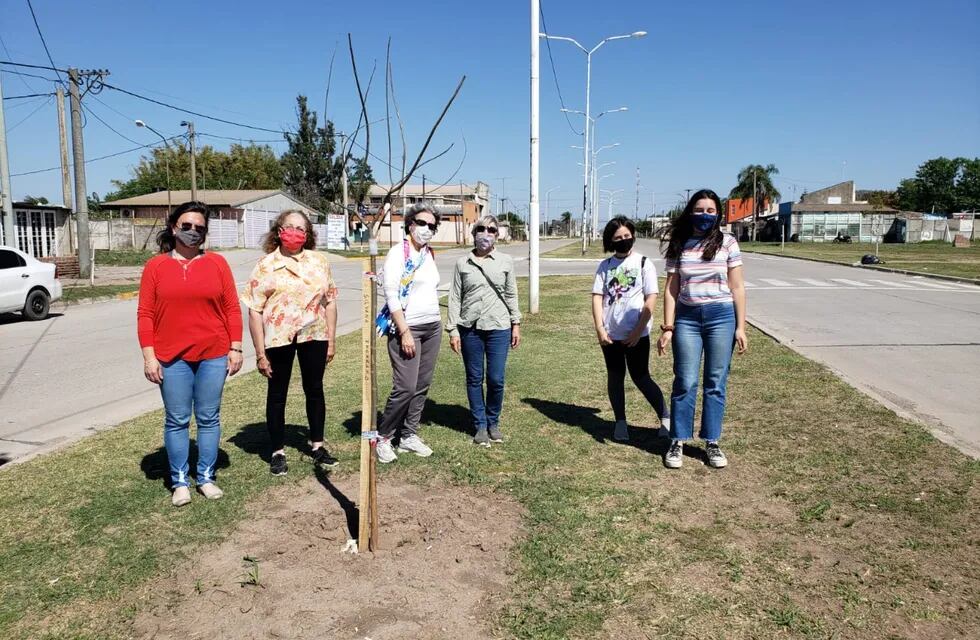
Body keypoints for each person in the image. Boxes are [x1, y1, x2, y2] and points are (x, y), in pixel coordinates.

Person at [137, 201, 243, 507]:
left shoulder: (217, 264)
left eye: (199, 228)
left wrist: (235, 347)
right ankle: (179, 480)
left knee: (209, 418)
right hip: (171, 358)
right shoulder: (155, 267)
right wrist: (149, 355)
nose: (193, 232)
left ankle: (206, 477)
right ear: (174, 228)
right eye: (187, 226)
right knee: (177, 419)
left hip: (213, 353)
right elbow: (145, 314)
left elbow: (231, 308)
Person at [241, 210, 339, 476]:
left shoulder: (319, 262)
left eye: (301, 228)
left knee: (315, 389)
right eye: (289, 227)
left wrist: (331, 338)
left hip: (314, 334)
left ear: (307, 234)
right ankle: (277, 451)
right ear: (278, 231)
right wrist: (260, 353)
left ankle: (317, 445)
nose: (294, 232)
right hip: (278, 337)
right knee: (277, 394)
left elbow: (329, 302)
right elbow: (254, 309)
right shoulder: (265, 265)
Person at [657, 189, 747, 469]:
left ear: (718, 213)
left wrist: (740, 327)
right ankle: (678, 440)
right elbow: (672, 288)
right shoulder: (680, 242)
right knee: (684, 380)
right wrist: (668, 326)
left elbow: (737, 286)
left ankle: (712, 441)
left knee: (716, 381)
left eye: (710, 210)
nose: (705, 215)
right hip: (687, 318)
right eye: (700, 209)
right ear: (690, 211)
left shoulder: (728, 242)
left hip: (722, 316)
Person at [592, 216, 670, 443]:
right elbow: (597, 298)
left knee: (641, 377)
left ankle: (665, 416)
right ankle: (620, 422)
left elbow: (651, 300)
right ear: (610, 241)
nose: (624, 240)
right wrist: (599, 328)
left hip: (637, 335)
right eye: (618, 238)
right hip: (610, 335)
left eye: (627, 236)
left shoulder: (644, 263)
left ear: (633, 236)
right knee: (615, 377)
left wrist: (637, 331)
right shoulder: (605, 266)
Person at [375, 203, 443, 463]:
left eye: (432, 226)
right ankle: (383, 436)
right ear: (410, 224)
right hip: (408, 327)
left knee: (422, 385)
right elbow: (391, 294)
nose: (426, 229)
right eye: (422, 223)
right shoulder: (398, 253)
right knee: (405, 386)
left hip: (432, 326)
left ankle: (408, 435)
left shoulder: (429, 254)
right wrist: (403, 331)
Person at [447, 215, 521, 446]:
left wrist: (515, 323)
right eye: (481, 229)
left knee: (496, 379)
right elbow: (455, 297)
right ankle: (479, 425)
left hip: (499, 326)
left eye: (491, 229)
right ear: (474, 233)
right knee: (474, 378)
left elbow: (511, 293)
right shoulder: (463, 263)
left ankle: (493, 422)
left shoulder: (505, 261)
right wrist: (452, 330)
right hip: (470, 328)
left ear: (497, 235)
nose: (486, 233)